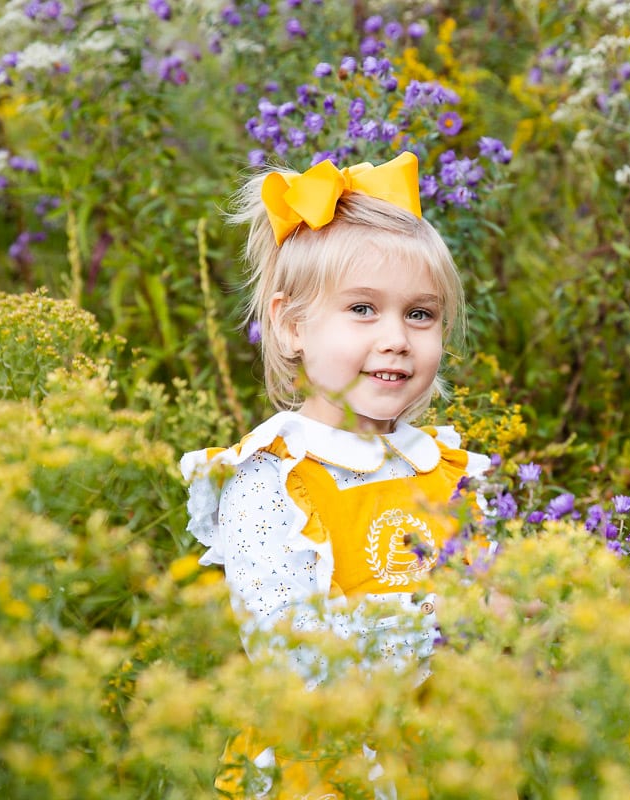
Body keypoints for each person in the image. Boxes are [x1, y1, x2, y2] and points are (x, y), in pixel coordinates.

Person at [179, 151, 491, 797]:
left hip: (458, 757)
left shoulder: (446, 467)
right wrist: (458, 619)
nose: (396, 338)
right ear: (291, 326)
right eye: (362, 310)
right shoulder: (270, 481)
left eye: (420, 314)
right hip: (330, 766)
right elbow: (298, 656)